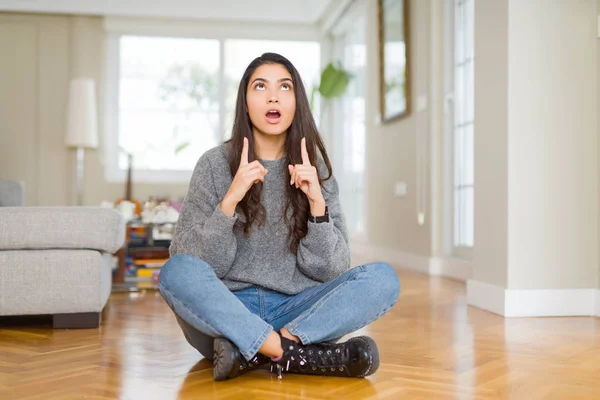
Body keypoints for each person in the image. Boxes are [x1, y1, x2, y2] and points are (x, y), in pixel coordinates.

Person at [158, 52, 400, 381]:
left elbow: (331, 268)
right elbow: (194, 263)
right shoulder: (214, 164)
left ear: (296, 102)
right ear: (244, 102)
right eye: (261, 86)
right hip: (227, 311)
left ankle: (258, 351)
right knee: (176, 270)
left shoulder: (315, 166)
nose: (273, 96)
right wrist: (231, 199)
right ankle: (295, 355)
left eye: (284, 87)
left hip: (297, 310)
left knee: (383, 279)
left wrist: (317, 204)